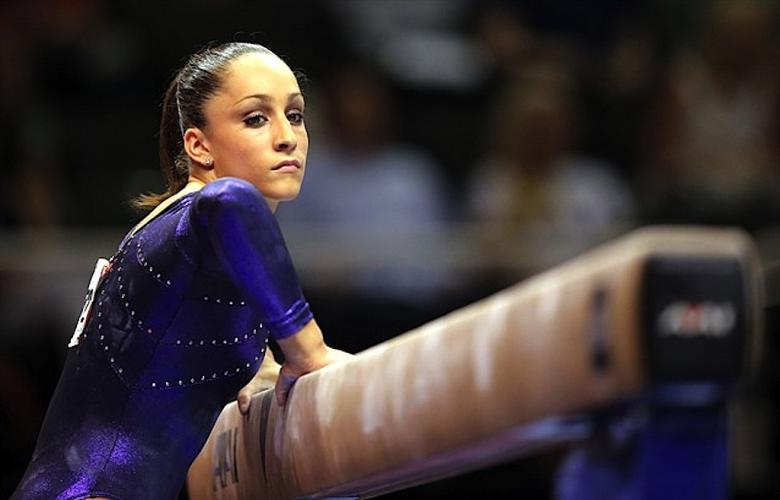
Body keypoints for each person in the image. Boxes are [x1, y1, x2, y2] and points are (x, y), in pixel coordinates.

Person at [12, 41, 350, 500]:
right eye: (255, 118)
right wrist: (309, 351)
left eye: (294, 114)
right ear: (198, 144)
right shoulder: (204, 209)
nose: (287, 136)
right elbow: (229, 201)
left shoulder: (182, 245)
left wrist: (261, 365)